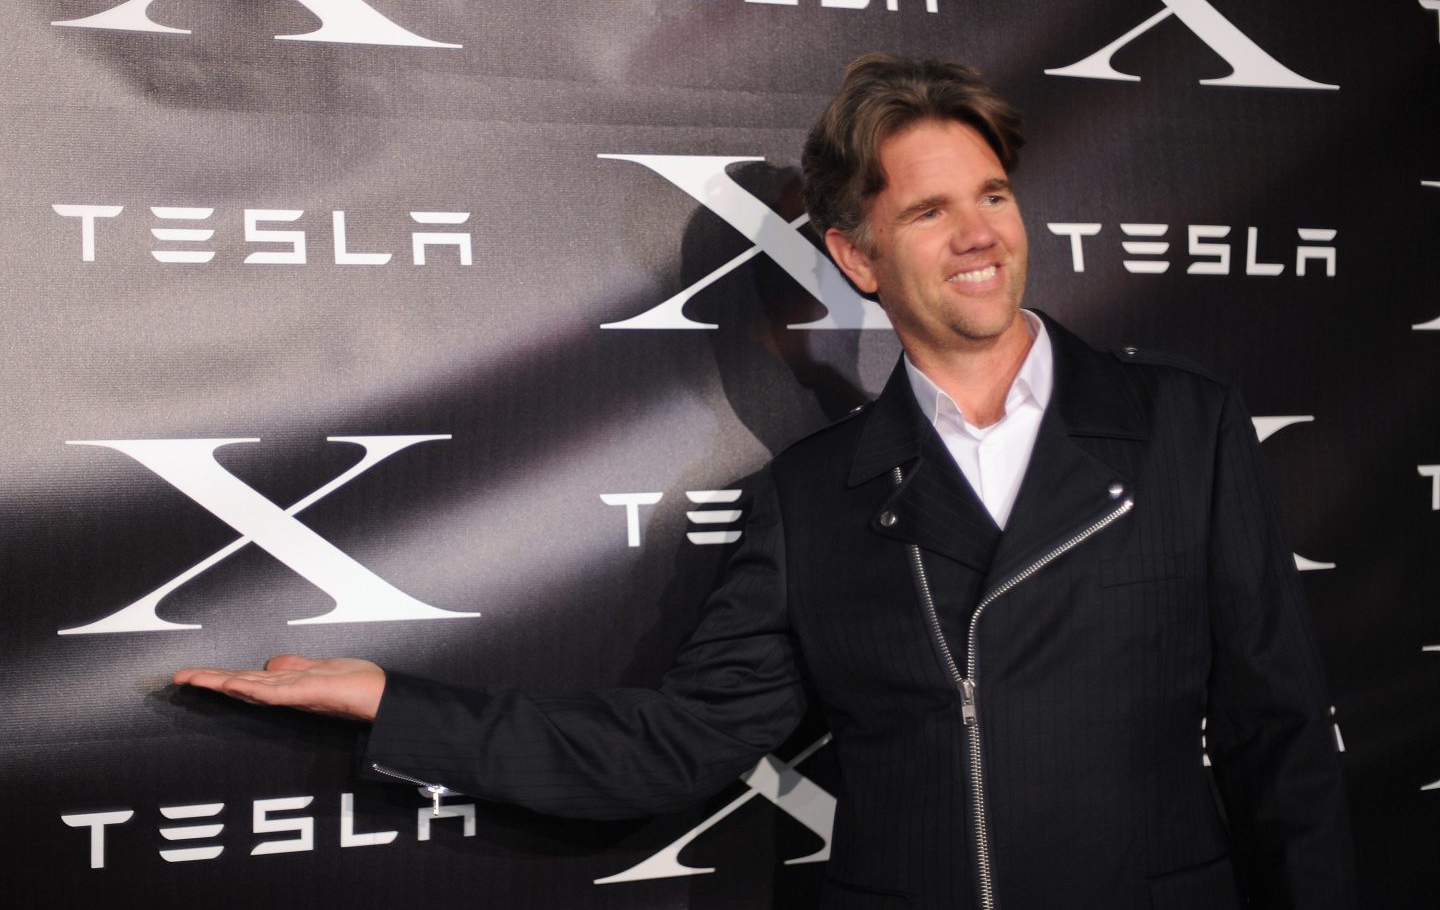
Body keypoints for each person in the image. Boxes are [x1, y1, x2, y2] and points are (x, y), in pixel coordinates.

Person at [174, 54, 1356, 909]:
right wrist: (395, 701)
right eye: (931, 209)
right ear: (857, 256)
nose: (980, 233)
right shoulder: (813, 496)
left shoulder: (1183, 427)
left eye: (992, 194)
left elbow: (1281, 739)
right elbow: (675, 742)